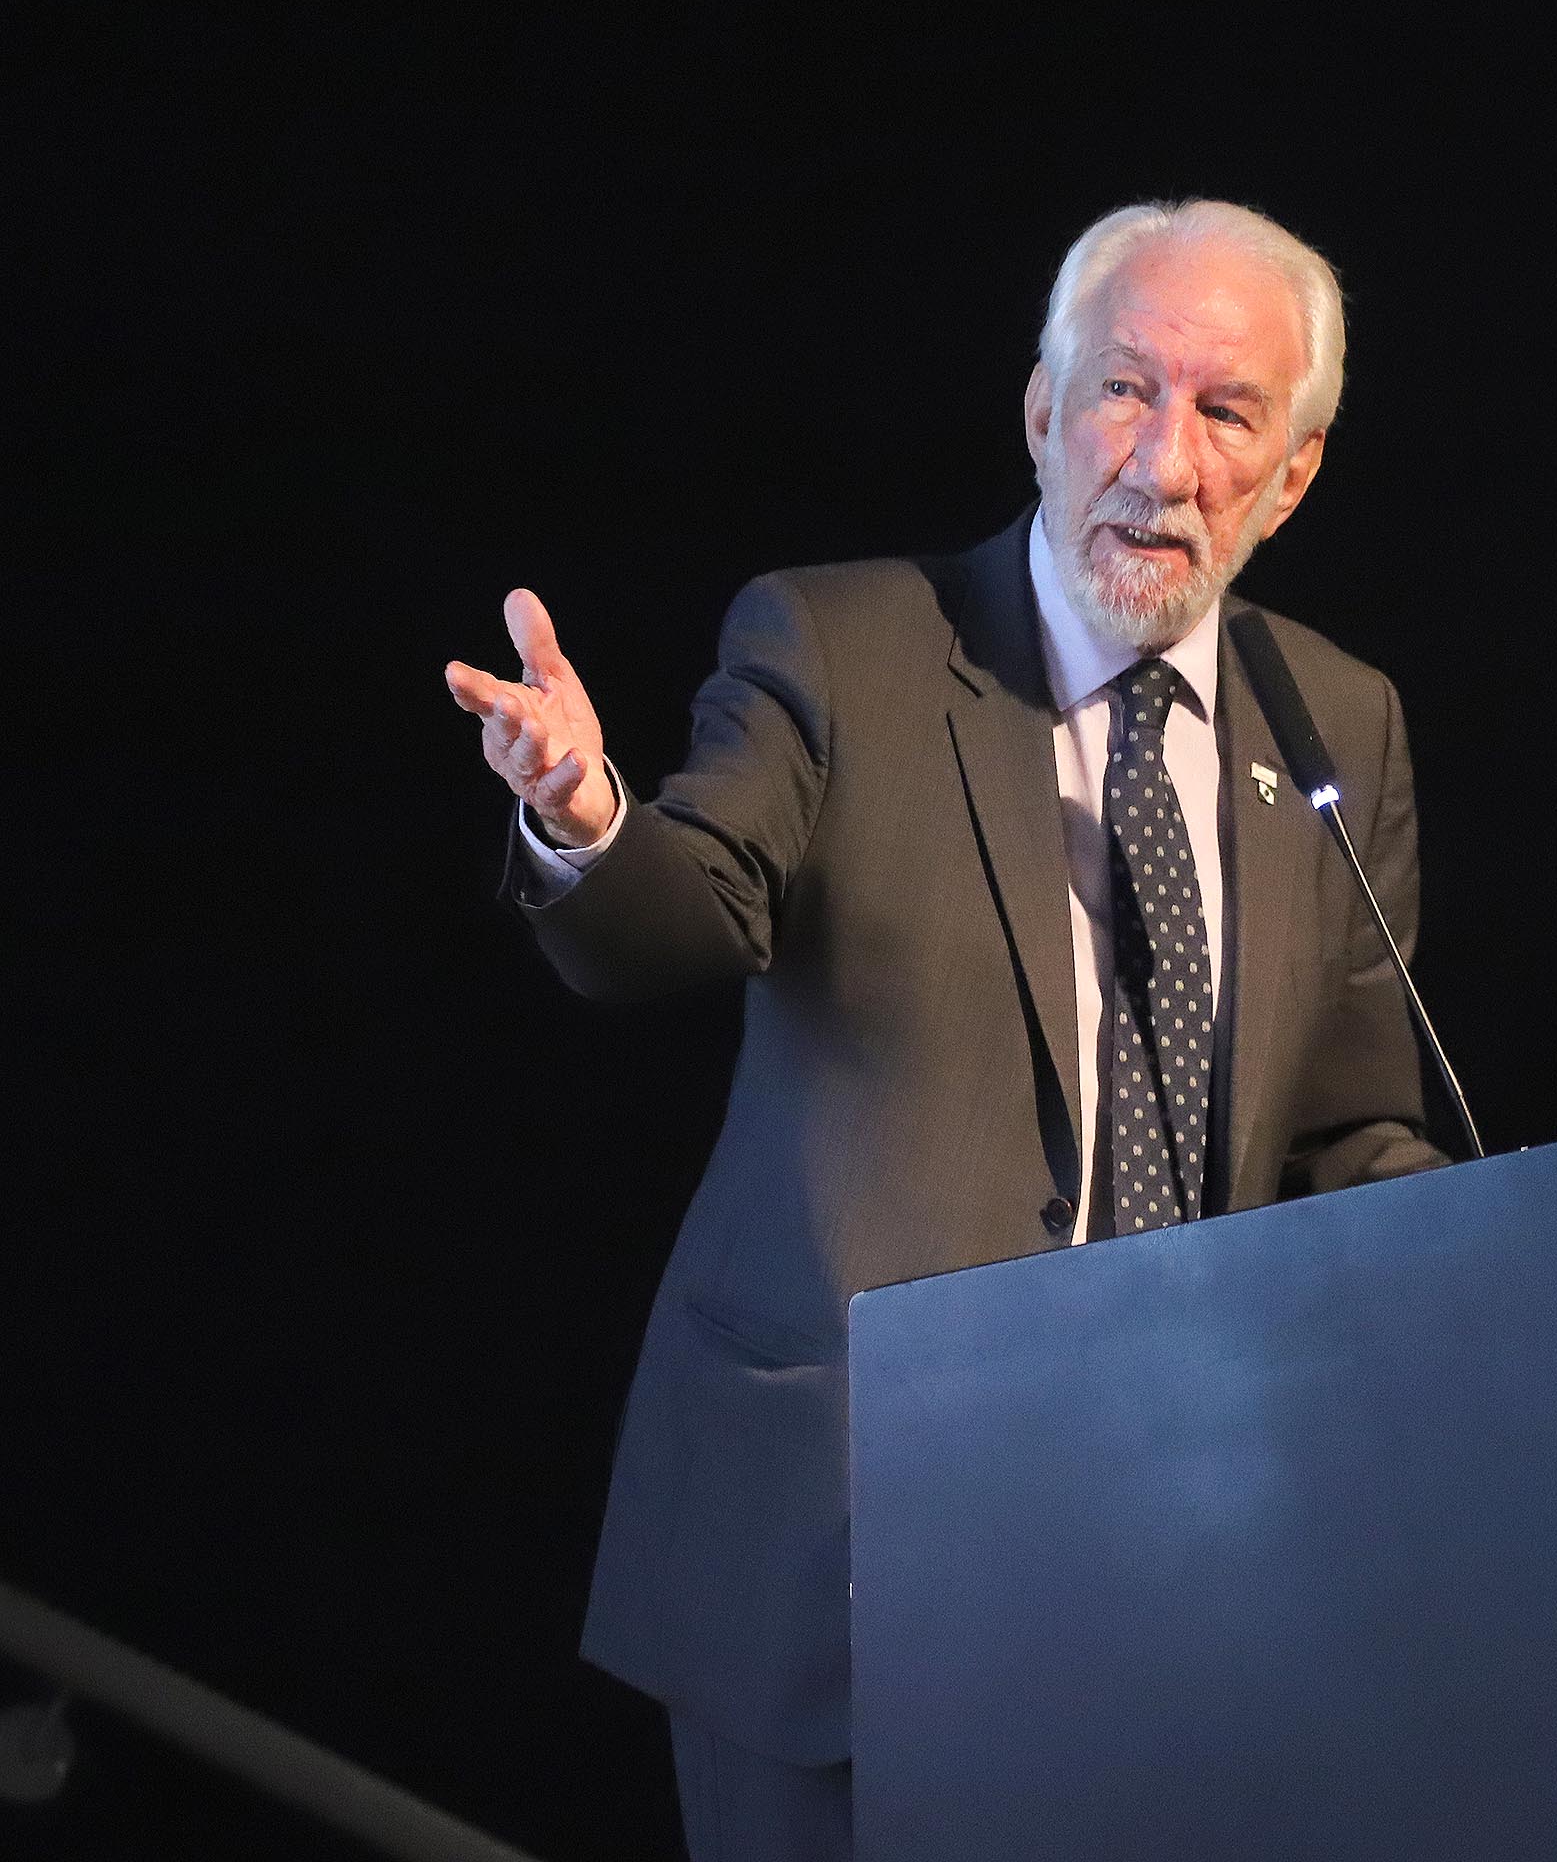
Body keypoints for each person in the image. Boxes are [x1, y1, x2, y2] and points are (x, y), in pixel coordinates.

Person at [442, 200, 1447, 1862]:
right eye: (1125, 389)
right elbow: (684, 908)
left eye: (1224, 414)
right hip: (850, 1553)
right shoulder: (839, 646)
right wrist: (588, 817)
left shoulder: (1335, 719)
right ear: (1043, 412)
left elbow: (1351, 1132)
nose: (1165, 460)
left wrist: (1538, 1248)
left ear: (1296, 472)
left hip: (1186, 1570)